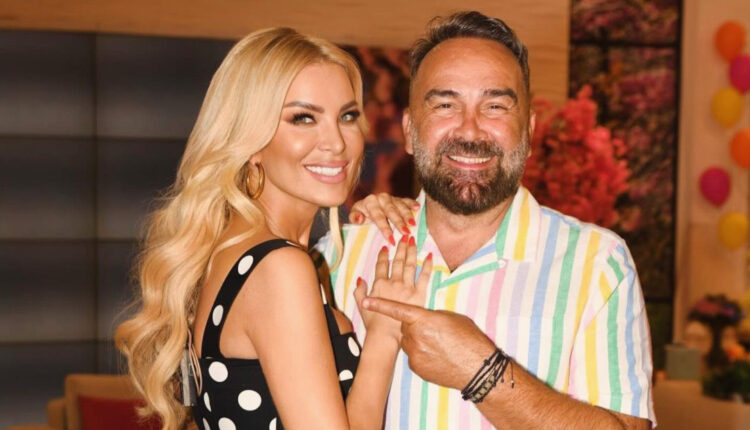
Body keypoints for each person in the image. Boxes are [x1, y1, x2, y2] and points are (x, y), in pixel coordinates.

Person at [317, 11, 655, 429]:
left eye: (495, 106)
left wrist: (482, 372)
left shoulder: (598, 264)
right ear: (408, 130)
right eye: (445, 104)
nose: (470, 130)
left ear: (528, 131)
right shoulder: (340, 256)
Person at [115, 27, 433, 430]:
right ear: (251, 141)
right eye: (303, 118)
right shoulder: (278, 266)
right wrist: (382, 340)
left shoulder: (239, 254)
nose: (336, 142)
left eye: (347, 116)